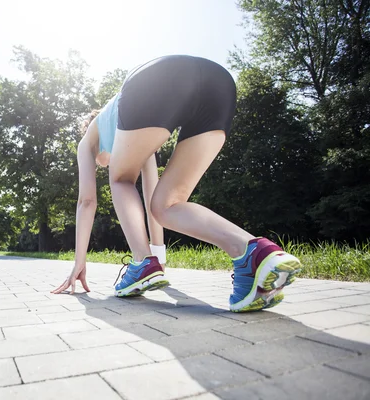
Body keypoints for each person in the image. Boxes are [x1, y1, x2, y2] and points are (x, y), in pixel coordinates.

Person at [51, 55, 302, 312]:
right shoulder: (132, 132)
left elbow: (87, 201)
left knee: (120, 179)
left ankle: (141, 263)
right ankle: (253, 253)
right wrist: (157, 257)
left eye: (99, 162)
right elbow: (152, 189)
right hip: (217, 82)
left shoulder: (90, 139)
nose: (101, 164)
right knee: (167, 204)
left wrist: (79, 262)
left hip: (153, 80)